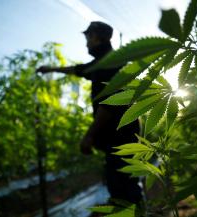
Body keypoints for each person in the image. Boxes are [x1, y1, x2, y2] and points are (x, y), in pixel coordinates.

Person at [37, 21, 143, 204]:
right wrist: (51, 69)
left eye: (88, 37)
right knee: (125, 184)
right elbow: (79, 70)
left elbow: (109, 106)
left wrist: (88, 136)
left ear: (98, 37)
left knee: (122, 189)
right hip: (123, 135)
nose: (86, 42)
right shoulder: (104, 62)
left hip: (121, 137)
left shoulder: (110, 64)